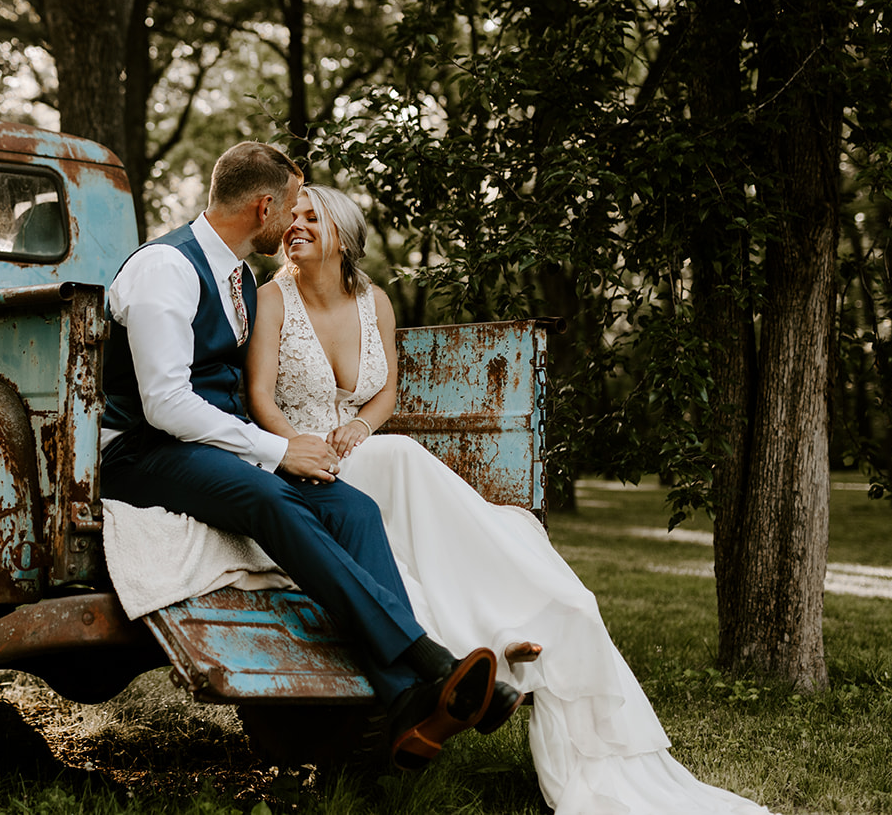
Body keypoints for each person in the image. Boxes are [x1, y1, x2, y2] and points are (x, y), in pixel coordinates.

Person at [245, 183, 775, 814]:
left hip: (361, 450)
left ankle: (513, 623)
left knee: (417, 472)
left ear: (344, 236)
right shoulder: (271, 299)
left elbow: (383, 394)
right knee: (409, 462)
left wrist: (359, 427)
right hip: (300, 461)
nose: (295, 225)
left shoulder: (374, 302)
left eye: (311, 217)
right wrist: (298, 446)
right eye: (292, 217)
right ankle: (485, 639)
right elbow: (258, 397)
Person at [98, 143, 522, 770]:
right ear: (264, 205)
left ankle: (409, 703)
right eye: (292, 207)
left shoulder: (240, 275)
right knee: (273, 498)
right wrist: (277, 449)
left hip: (215, 446)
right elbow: (165, 404)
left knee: (353, 510)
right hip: (144, 450)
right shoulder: (167, 268)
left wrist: (276, 447)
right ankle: (428, 663)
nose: (295, 220)